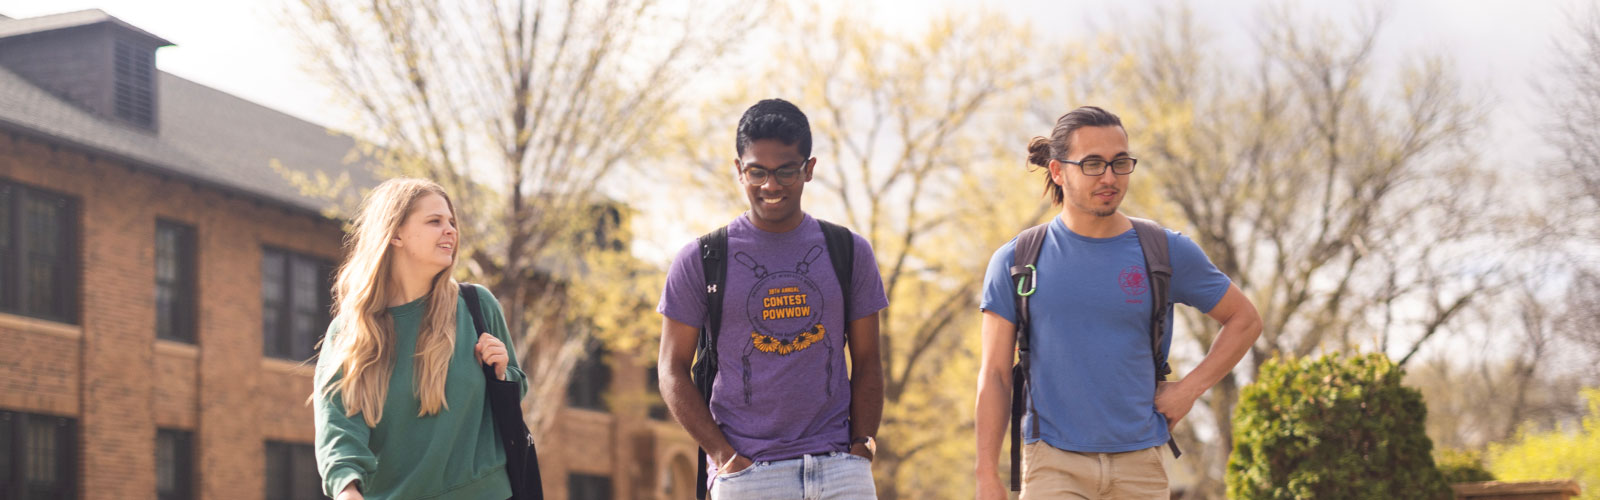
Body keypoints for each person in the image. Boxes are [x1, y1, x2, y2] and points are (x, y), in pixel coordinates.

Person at [974, 106, 1263, 499]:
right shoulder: (1016, 260)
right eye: (1092, 164)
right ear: (1058, 171)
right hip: (1051, 464)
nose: (1109, 177)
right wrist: (986, 475)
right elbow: (994, 375)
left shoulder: (1164, 251)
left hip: (1141, 466)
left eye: (1120, 162)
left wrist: (1189, 390)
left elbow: (1244, 320)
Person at [656, 98, 889, 499]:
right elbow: (671, 369)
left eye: (785, 171)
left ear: (809, 169)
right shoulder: (702, 260)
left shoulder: (848, 251)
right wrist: (723, 457)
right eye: (757, 171)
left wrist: (861, 447)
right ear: (738, 170)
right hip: (749, 475)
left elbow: (868, 361)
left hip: (839, 471)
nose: (771, 185)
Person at [313, 178, 526, 500]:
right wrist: (346, 487)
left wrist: (501, 372)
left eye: (452, 222)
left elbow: (515, 391)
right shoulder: (351, 332)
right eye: (435, 221)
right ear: (395, 233)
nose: (451, 230)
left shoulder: (477, 306)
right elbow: (338, 425)